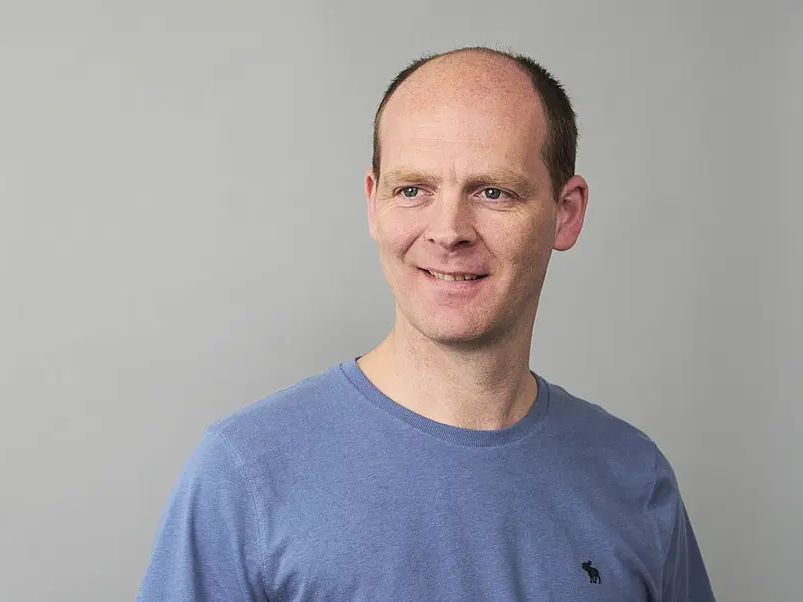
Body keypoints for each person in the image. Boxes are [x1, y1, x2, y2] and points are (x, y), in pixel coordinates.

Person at [136, 46, 715, 601]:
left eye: (493, 192)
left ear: (566, 213)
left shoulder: (634, 477)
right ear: (373, 202)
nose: (447, 231)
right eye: (413, 190)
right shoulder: (245, 476)